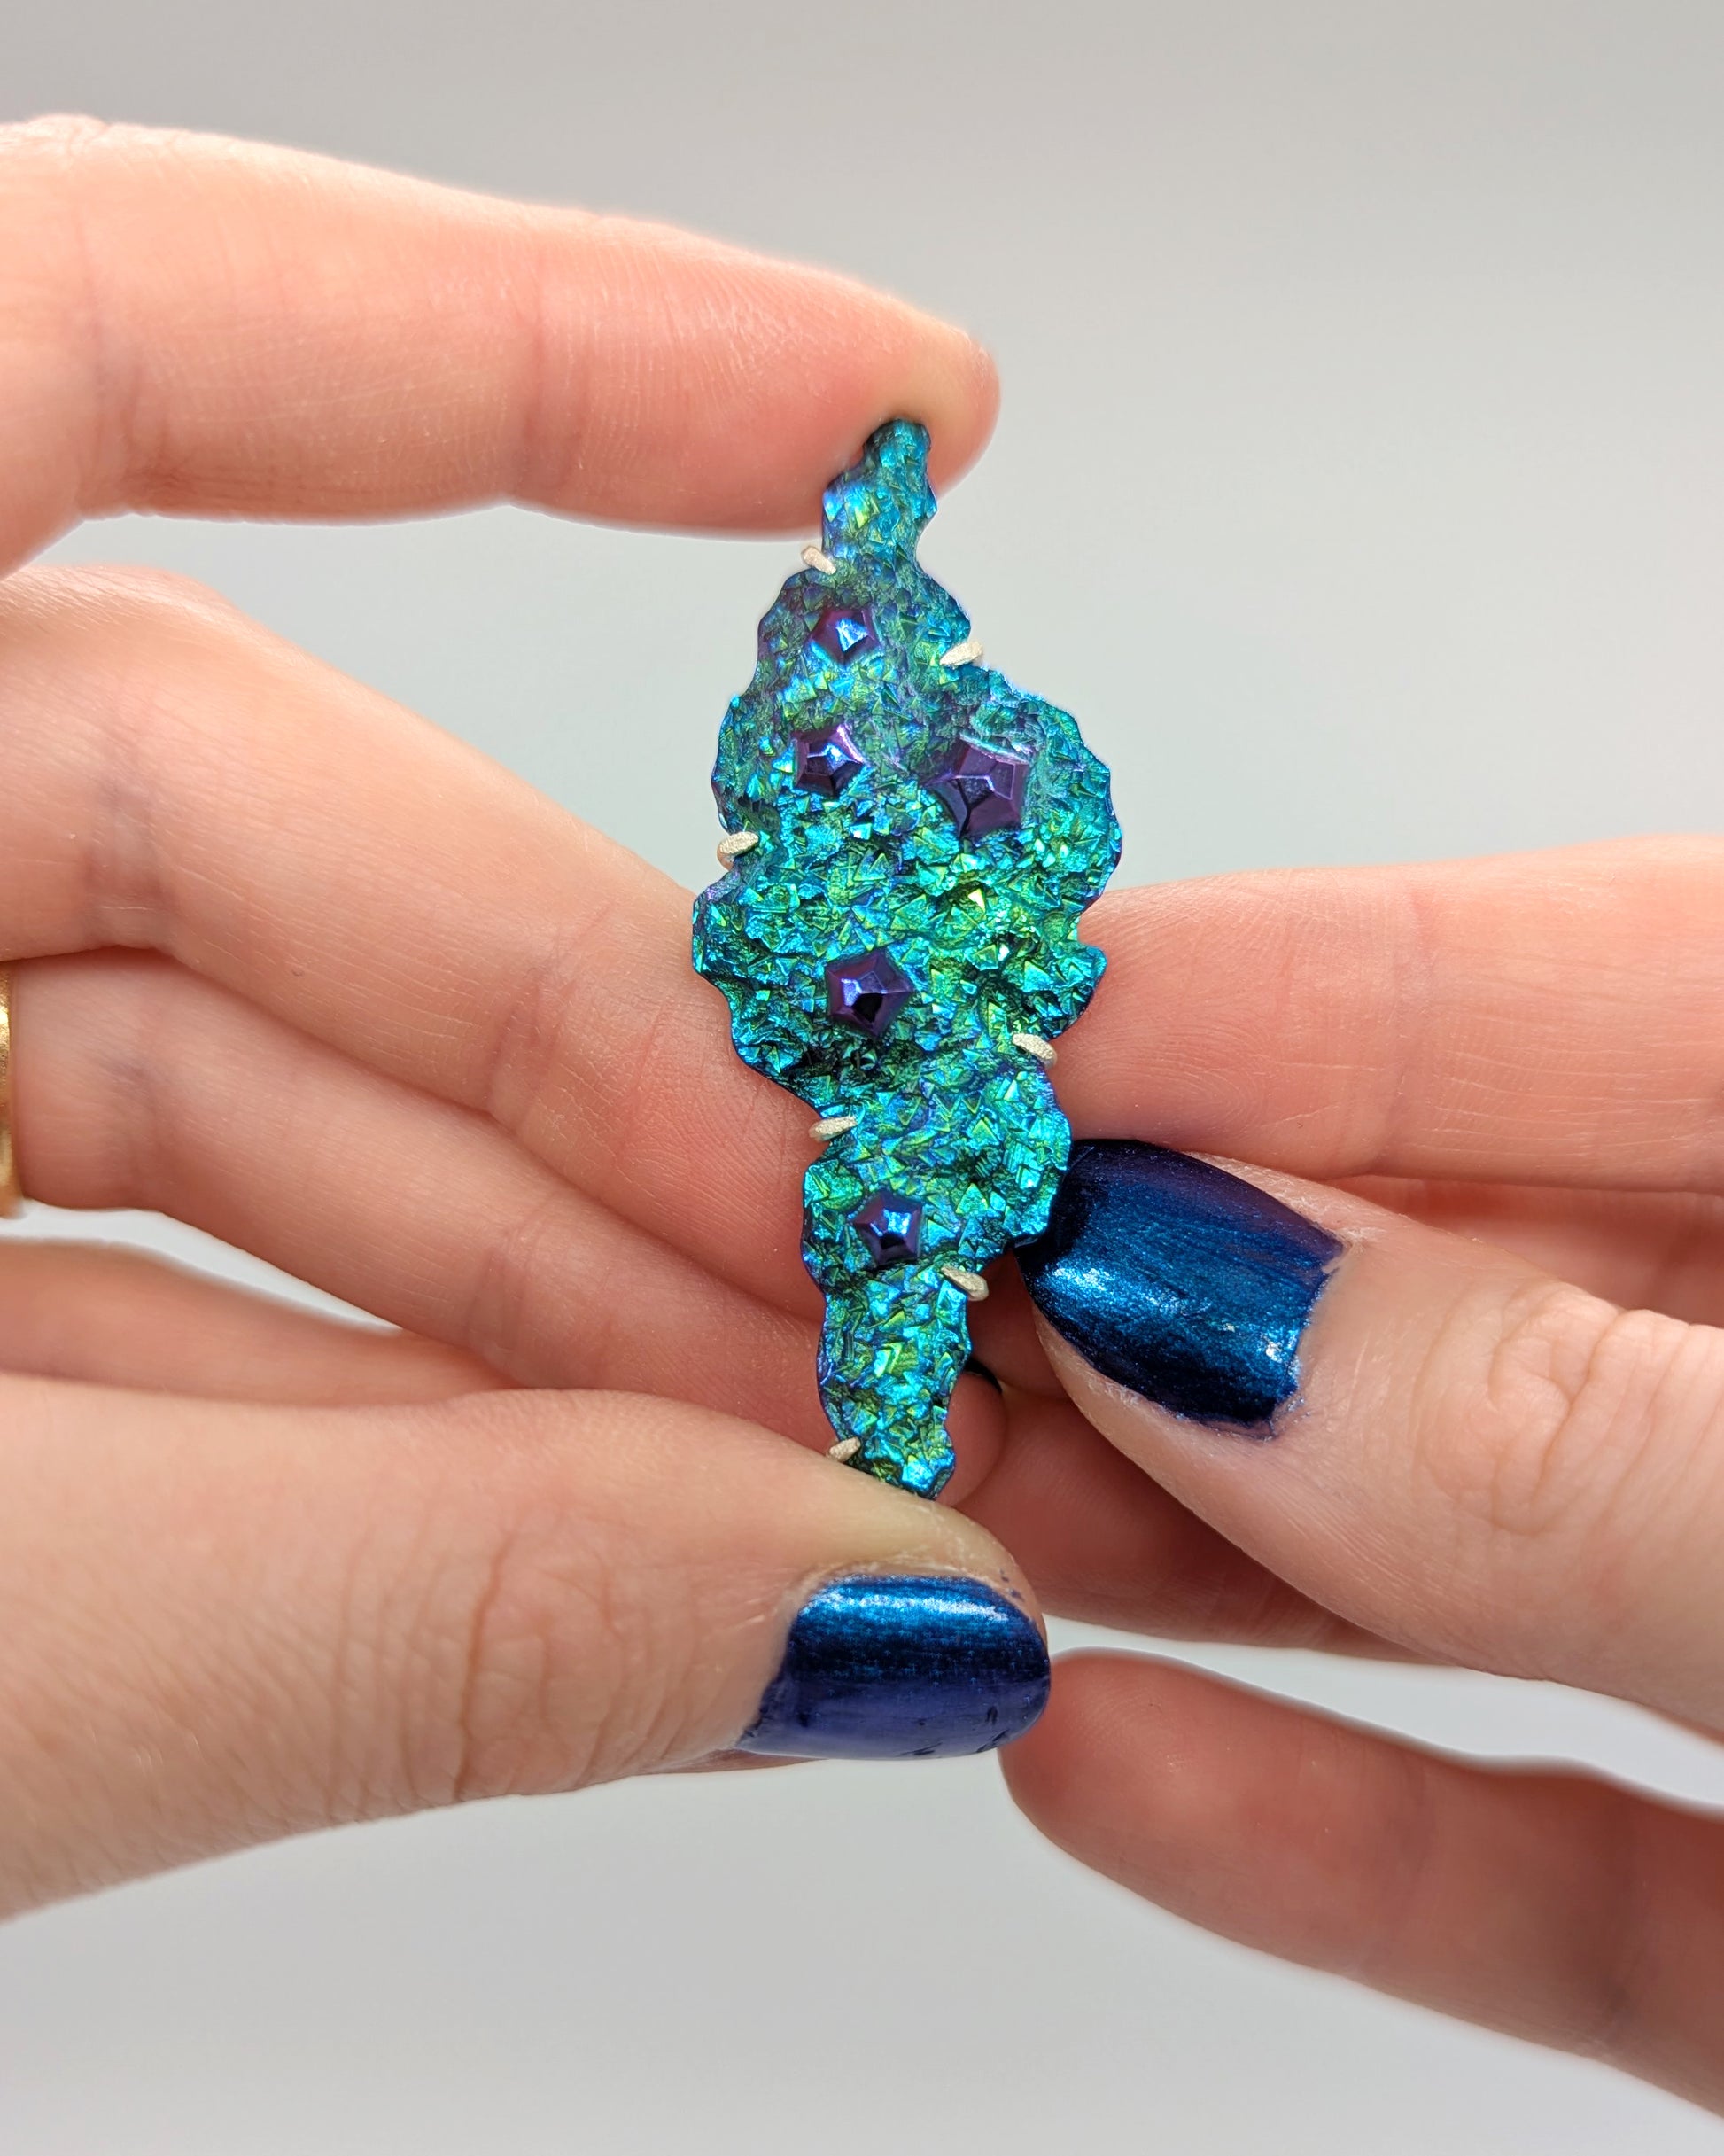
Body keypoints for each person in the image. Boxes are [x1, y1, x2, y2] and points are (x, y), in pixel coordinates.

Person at [1, 116, 1720, 2110]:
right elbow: (785, 921)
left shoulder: (967, 800)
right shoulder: (850, 826)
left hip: (947, 1078)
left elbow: (991, 861)